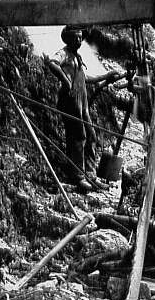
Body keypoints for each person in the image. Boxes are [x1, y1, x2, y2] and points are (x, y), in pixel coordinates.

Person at [45, 25, 124, 189]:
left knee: (91, 135)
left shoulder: (77, 57)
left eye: (81, 37)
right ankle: (77, 176)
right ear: (68, 38)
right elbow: (52, 63)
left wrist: (105, 76)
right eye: (76, 37)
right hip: (70, 101)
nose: (79, 40)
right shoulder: (64, 53)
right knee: (78, 136)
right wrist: (66, 81)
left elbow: (84, 77)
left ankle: (90, 175)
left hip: (82, 103)